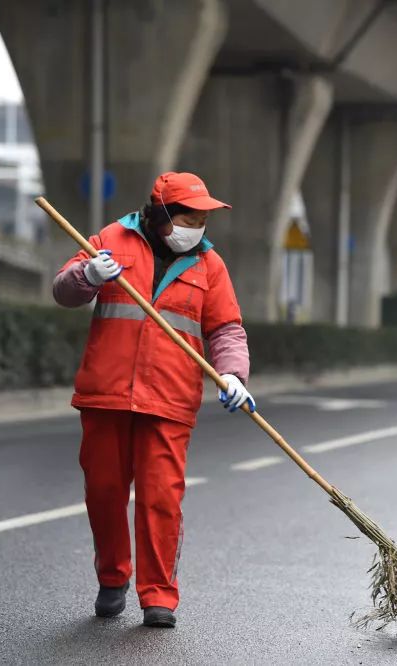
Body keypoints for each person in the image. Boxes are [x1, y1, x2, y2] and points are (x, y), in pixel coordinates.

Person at [53, 171, 254, 629]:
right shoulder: (110, 240)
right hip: (106, 395)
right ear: (162, 213)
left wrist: (232, 373)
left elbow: (226, 328)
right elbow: (63, 290)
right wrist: (87, 275)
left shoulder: (210, 265)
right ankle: (112, 578)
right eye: (190, 215)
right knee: (104, 493)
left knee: (161, 498)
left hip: (169, 400)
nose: (198, 225)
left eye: (204, 218)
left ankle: (159, 594)